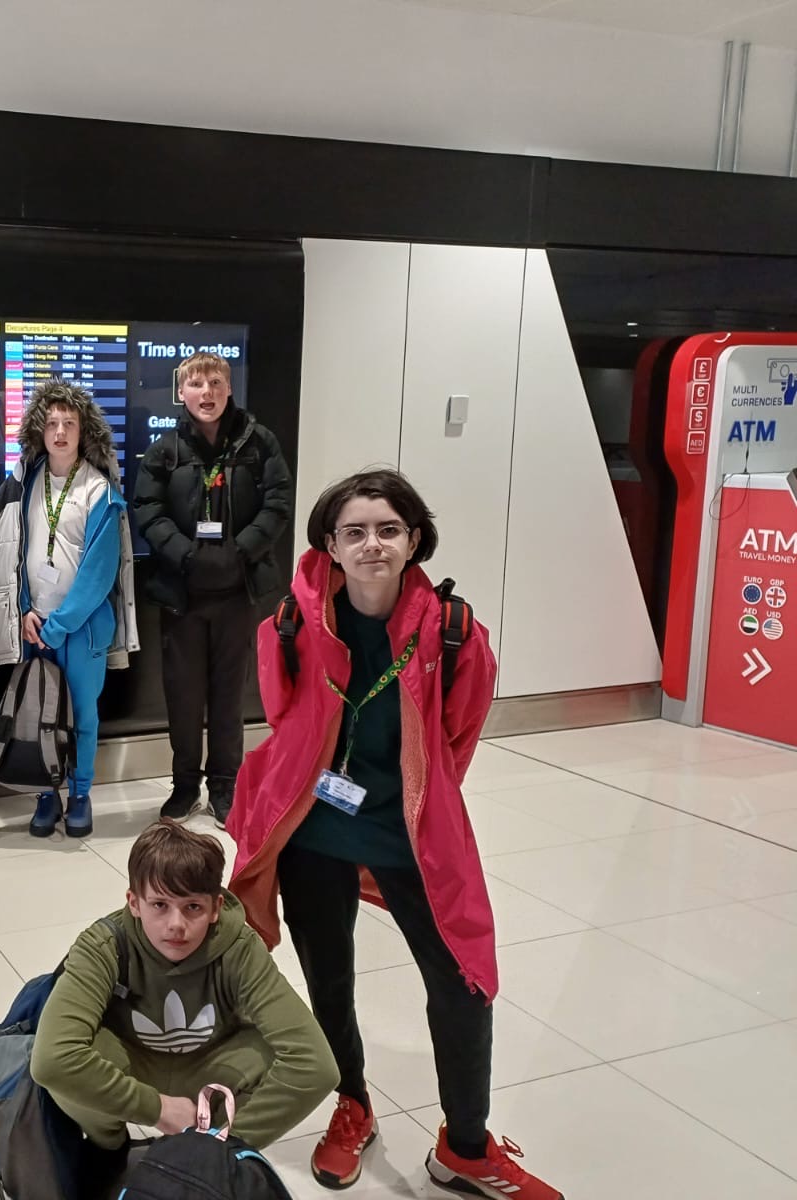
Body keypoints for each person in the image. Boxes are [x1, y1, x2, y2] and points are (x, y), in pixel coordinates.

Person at [226, 470, 562, 1200]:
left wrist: (411, 799)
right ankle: (352, 1103)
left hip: (412, 835)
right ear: (330, 544)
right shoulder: (290, 623)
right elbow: (285, 715)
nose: (371, 544)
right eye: (354, 531)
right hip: (314, 832)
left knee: (463, 982)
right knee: (329, 979)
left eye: (388, 529)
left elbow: (456, 736)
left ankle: (465, 1148)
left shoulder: (454, 632)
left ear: (414, 540)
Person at [31, 819, 336, 1171]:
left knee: (273, 1056)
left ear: (216, 907)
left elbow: (317, 1066)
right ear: (134, 903)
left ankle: (214, 1154)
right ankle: (108, 1149)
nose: (176, 924)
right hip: (129, 1058)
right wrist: (156, 1108)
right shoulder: (104, 945)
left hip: (212, 1062)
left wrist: (225, 1147)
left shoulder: (240, 948)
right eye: (160, 905)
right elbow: (51, 1060)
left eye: (193, 907)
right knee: (68, 1062)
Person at [0, 379, 138, 838]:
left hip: (82, 629)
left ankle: (80, 795)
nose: (60, 432)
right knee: (38, 713)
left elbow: (99, 572)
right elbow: (12, 552)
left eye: (70, 423)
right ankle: (46, 793)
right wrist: (25, 608)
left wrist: (59, 626)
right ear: (38, 431)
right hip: (33, 625)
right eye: (51, 424)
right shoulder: (23, 485)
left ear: (85, 431)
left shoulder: (100, 491)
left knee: (82, 716)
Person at [133, 351, 291, 828]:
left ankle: (225, 787)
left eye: (216, 383)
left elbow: (278, 502)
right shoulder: (164, 449)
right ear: (181, 392)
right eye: (197, 384)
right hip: (181, 593)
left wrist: (240, 550)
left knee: (228, 697)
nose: (207, 393)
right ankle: (185, 786)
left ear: (229, 389)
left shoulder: (259, 442)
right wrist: (184, 553)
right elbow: (147, 510)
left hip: (237, 590)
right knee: (183, 697)